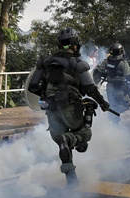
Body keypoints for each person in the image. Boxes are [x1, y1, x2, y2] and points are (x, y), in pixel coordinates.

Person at [27, 28, 110, 186]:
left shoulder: (45, 63)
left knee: (61, 141)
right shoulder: (77, 63)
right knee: (85, 134)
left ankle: (70, 176)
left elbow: (33, 87)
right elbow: (90, 88)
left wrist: (46, 95)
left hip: (51, 109)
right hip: (70, 108)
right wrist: (102, 103)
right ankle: (71, 139)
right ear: (75, 45)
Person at [92, 43, 130, 122]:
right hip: (120, 88)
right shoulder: (123, 63)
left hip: (110, 87)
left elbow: (97, 71)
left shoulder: (106, 61)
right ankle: (114, 114)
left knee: (113, 104)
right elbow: (128, 75)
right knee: (126, 104)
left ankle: (115, 123)